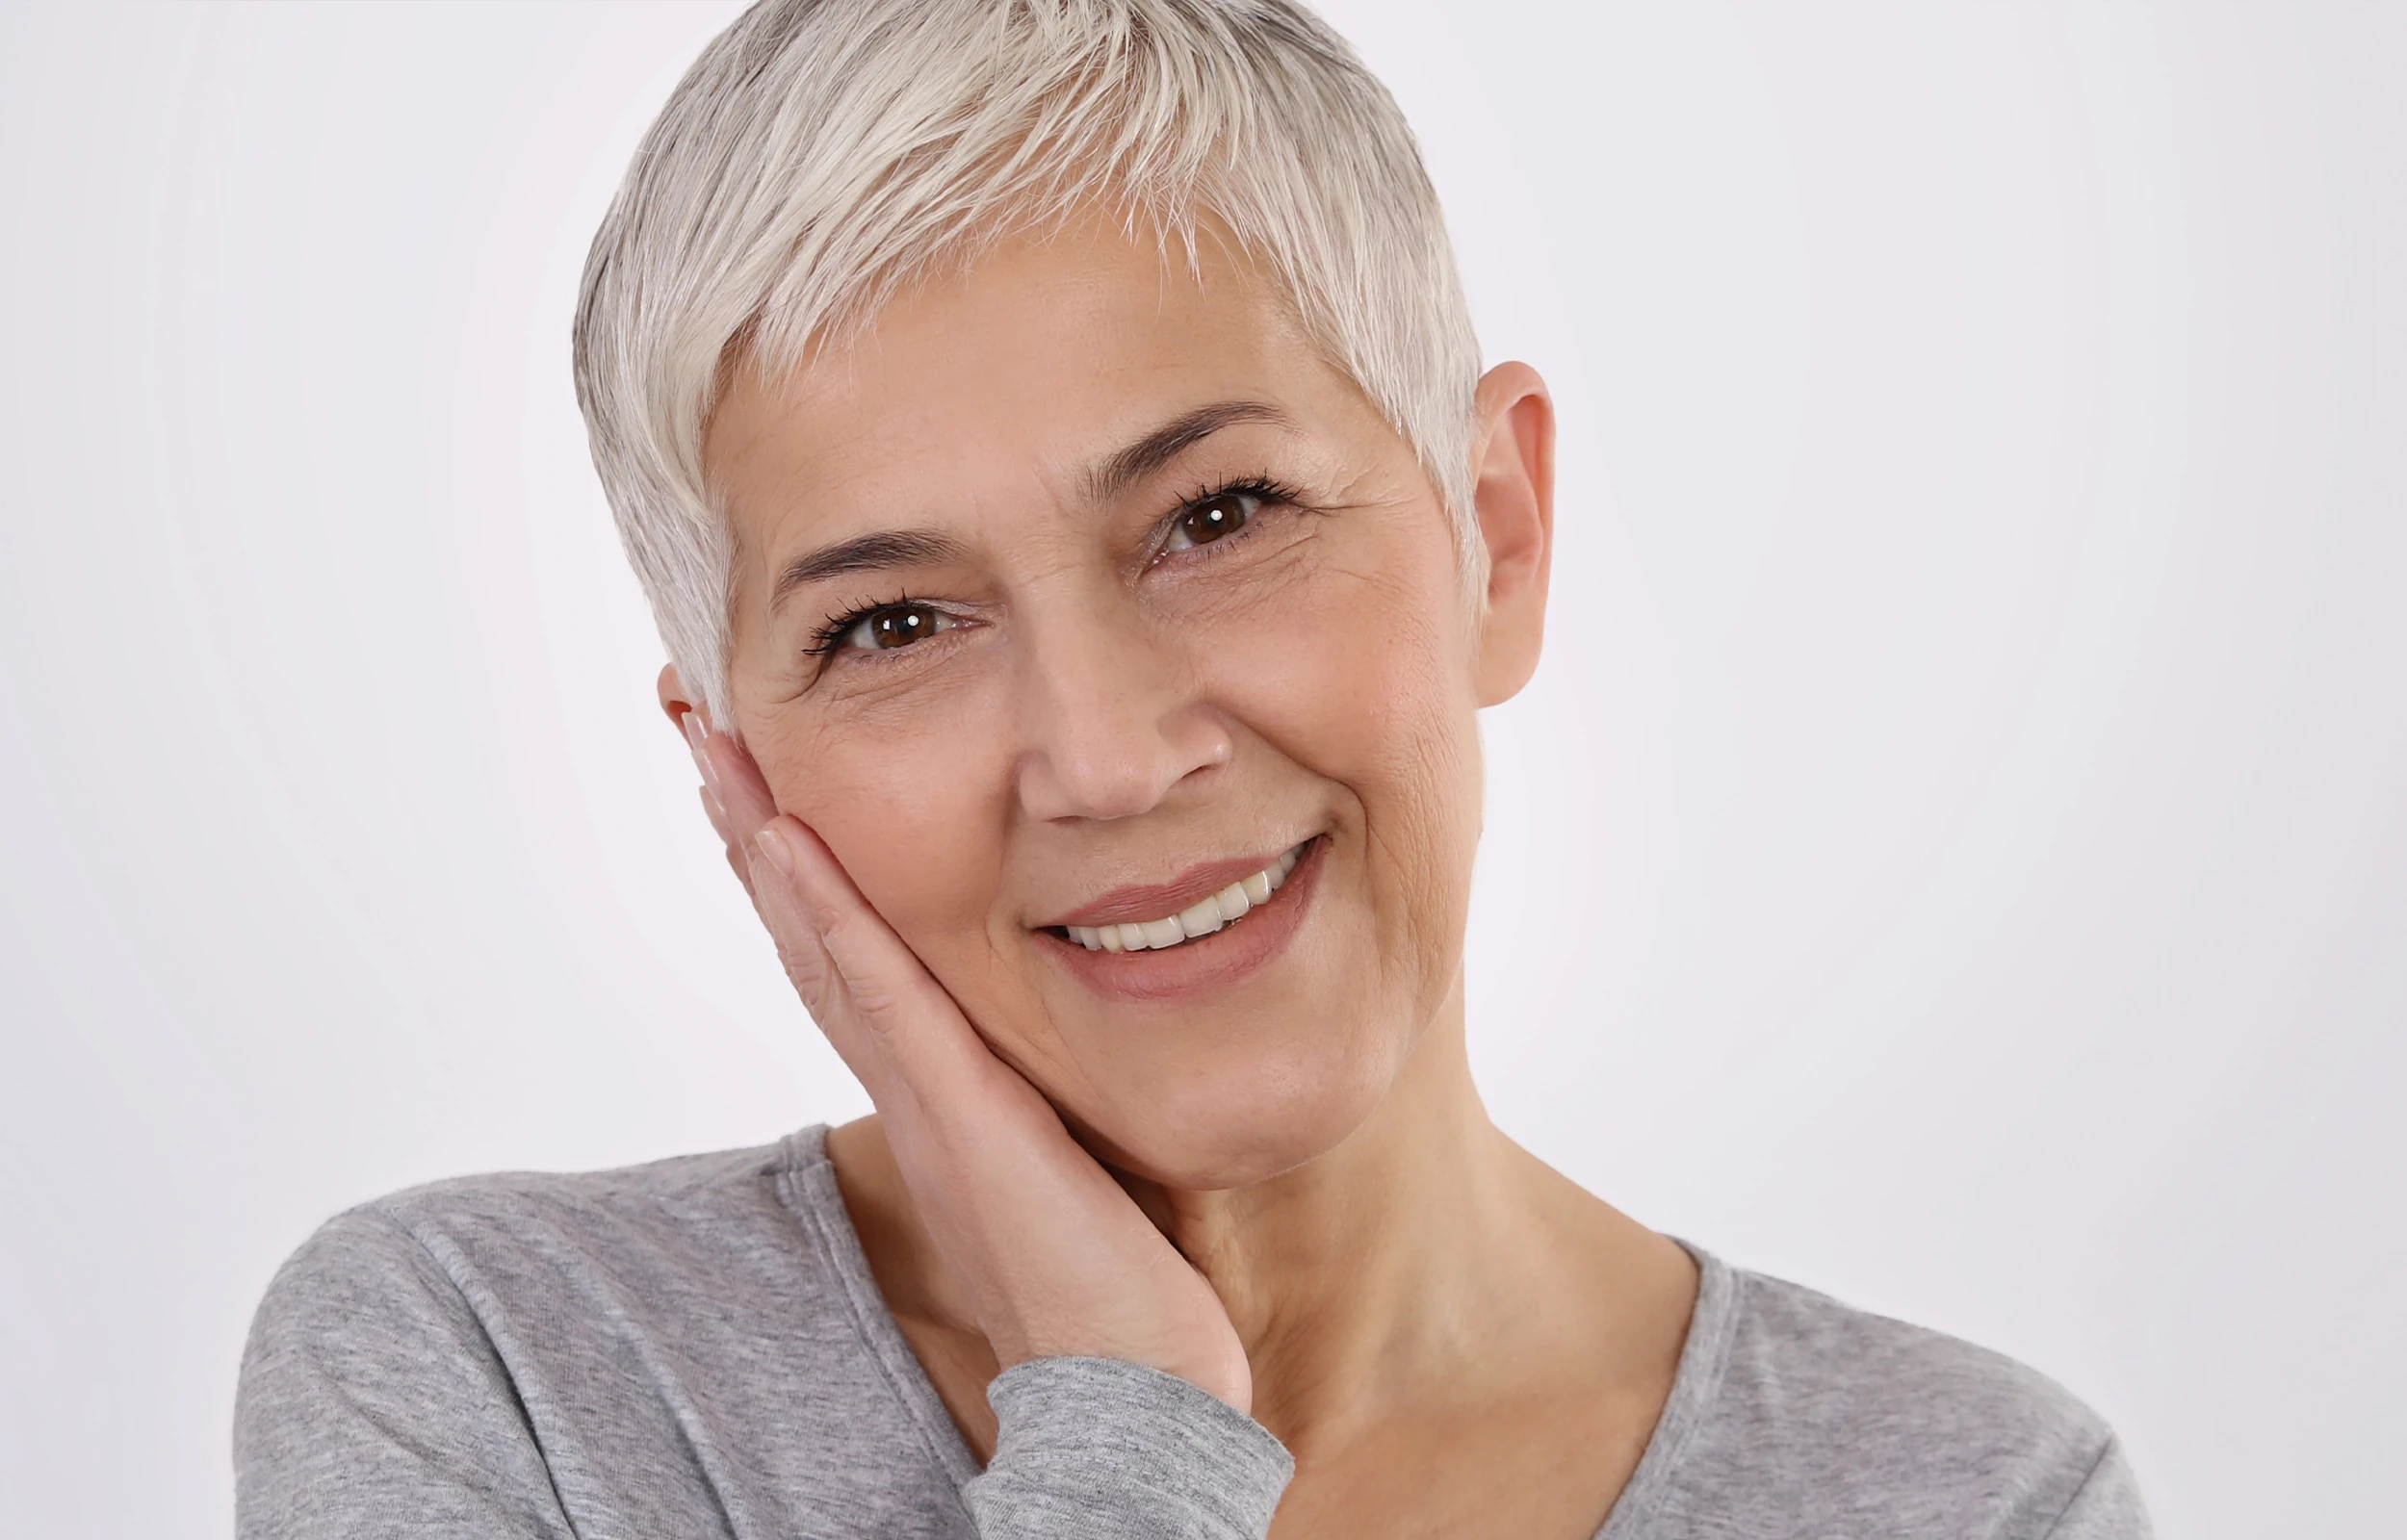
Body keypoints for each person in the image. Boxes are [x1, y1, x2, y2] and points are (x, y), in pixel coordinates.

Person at [233, 2, 2152, 1535]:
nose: (1109, 754)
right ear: (732, 767)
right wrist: (1130, 1427)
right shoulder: (500, 1375)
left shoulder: (1959, 1495)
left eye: (1216, 513)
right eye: (892, 623)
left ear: (1496, 530)